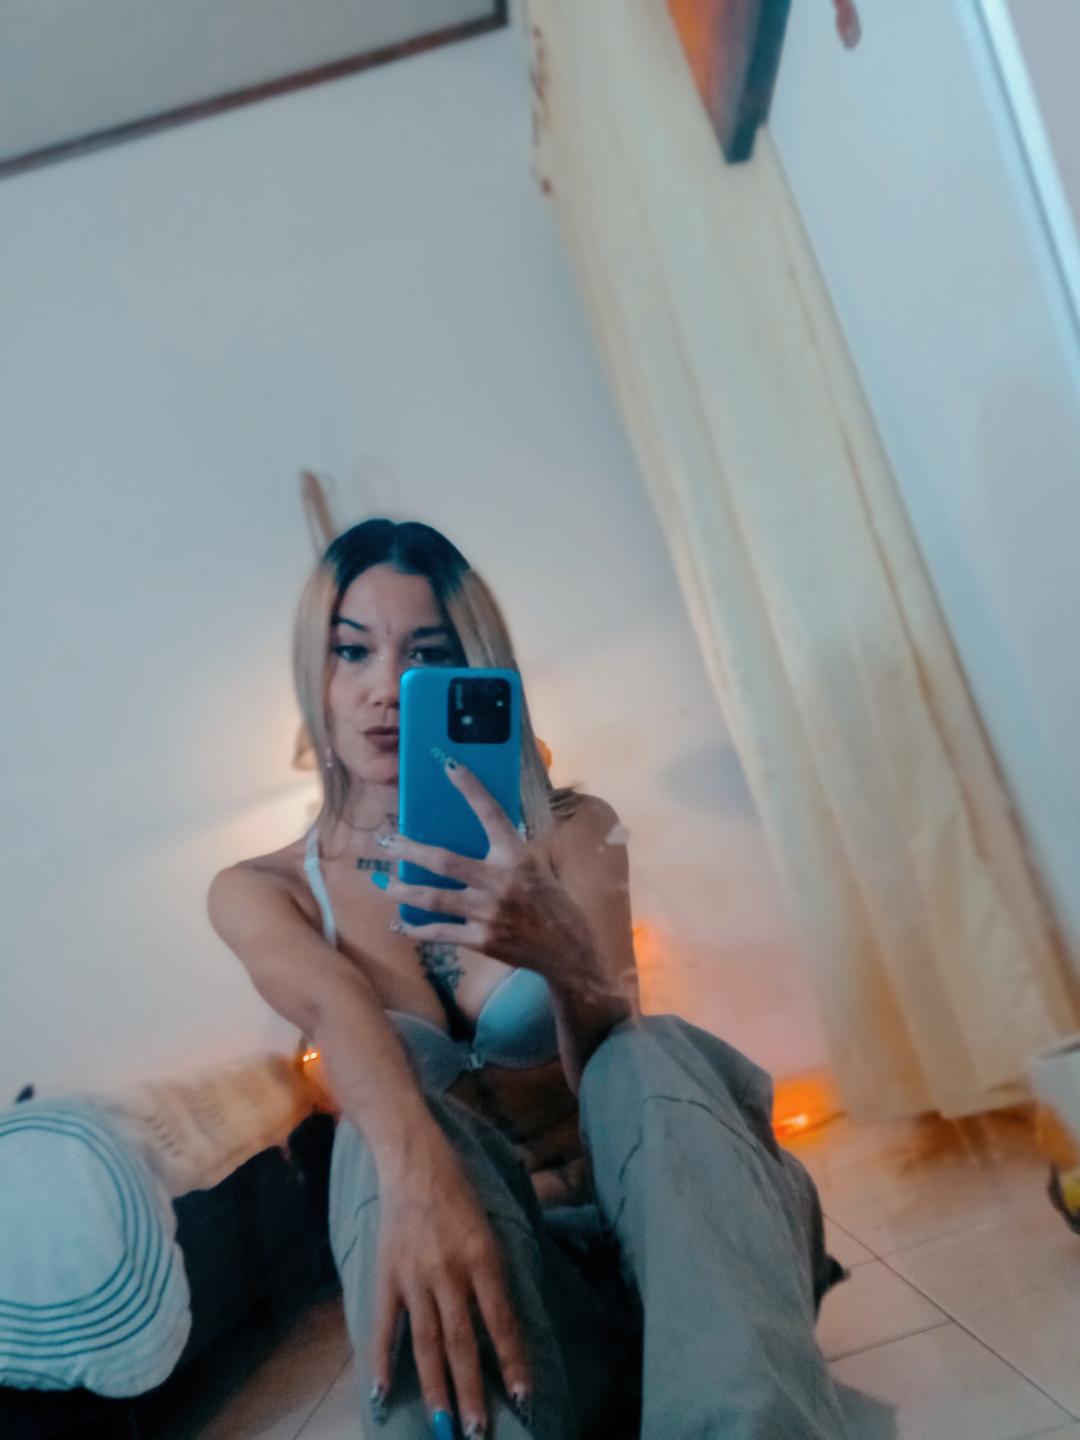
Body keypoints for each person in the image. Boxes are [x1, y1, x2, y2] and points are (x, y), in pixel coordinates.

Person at [209, 519, 847, 1440]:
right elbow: (340, 1018)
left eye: (426, 655)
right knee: (380, 1133)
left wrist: (558, 952)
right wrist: (416, 1170)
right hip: (512, 1308)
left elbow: (619, 1078)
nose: (385, 687)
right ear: (316, 673)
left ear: (475, 671)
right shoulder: (267, 893)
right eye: (353, 651)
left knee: (652, 1050)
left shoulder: (573, 830)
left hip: (680, 1278)